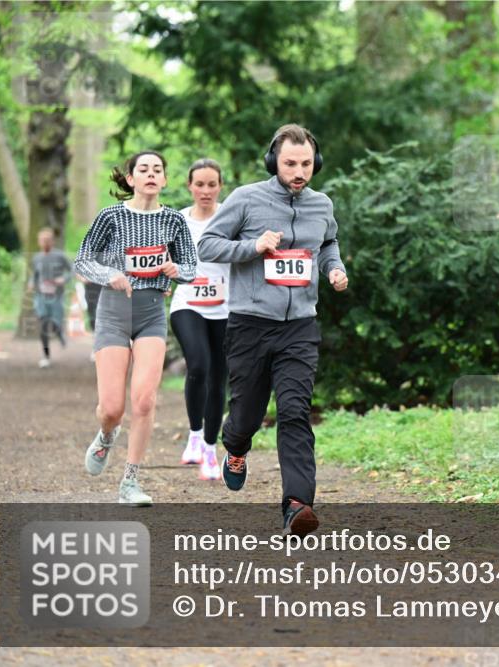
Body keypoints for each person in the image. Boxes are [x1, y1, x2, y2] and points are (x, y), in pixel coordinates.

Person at [198, 123, 347, 537]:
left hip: (299, 326)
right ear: (273, 162)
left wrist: (334, 268)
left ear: (316, 163)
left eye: (306, 164)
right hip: (250, 324)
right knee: (247, 414)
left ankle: (297, 504)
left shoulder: (321, 205)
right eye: (290, 164)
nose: (299, 172)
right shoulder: (246, 199)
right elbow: (207, 244)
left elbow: (328, 243)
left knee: (295, 410)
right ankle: (235, 446)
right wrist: (253, 246)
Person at [74, 151, 196, 505]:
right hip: (114, 312)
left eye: (158, 170)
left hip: (151, 313)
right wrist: (109, 273)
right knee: (112, 408)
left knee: (144, 399)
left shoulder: (174, 220)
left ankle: (130, 481)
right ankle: (106, 434)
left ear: (165, 179)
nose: (151, 174)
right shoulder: (110, 216)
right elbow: (83, 259)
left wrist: (177, 270)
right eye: (143, 169)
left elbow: (191, 265)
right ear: (131, 179)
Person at [169, 158, 229, 481]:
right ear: (189, 186)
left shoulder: (230, 217)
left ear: (220, 186)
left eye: (212, 185)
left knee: (218, 377)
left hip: (225, 307)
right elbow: (164, 257)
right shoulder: (178, 221)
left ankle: (209, 448)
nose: (206, 191)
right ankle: (194, 433)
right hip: (187, 303)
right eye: (200, 184)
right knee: (199, 364)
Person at [27, 227, 71, 368]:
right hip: (41, 297)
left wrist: (63, 279)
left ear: (52, 241)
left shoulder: (60, 256)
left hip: (57, 297)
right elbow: (34, 274)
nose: (45, 243)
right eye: (42, 240)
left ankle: (60, 334)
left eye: (47, 240)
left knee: (55, 323)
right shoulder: (36, 258)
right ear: (39, 242)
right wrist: (31, 283)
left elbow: (72, 270)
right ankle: (46, 356)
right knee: (44, 324)